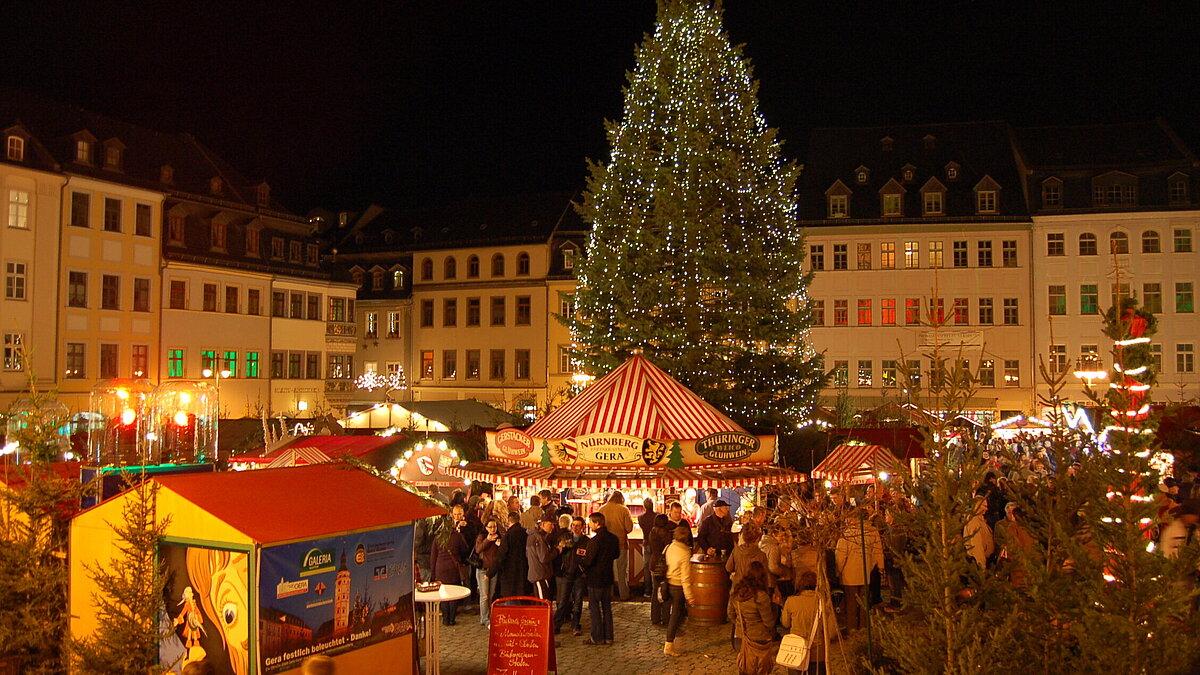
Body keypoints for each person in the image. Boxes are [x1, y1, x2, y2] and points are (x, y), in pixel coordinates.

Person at [780, 571, 837, 675]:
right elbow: (831, 633)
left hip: (796, 653)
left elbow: (785, 623)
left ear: (800, 585)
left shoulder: (791, 601)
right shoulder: (824, 603)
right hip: (818, 654)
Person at [834, 514, 884, 631]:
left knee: (851, 605)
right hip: (865, 575)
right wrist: (870, 568)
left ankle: (852, 630)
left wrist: (838, 571)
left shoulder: (846, 536)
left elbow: (840, 557)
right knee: (864, 604)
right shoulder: (869, 535)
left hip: (849, 577)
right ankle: (863, 629)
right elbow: (874, 554)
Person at [728, 561, 776, 675]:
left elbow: (730, 614)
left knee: (745, 667)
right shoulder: (761, 596)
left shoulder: (736, 592)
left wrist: (739, 623)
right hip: (758, 640)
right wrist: (775, 606)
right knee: (758, 669)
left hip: (740, 637)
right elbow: (769, 623)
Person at [582, 511, 620, 645]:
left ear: (597, 523)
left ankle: (597, 637)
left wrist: (583, 563)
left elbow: (588, 561)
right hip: (608, 577)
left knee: (595, 608)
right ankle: (609, 636)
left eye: (591, 522)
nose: (589, 525)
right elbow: (616, 554)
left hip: (595, 578)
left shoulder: (595, 541)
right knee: (607, 608)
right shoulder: (613, 538)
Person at [429, 505, 470, 625]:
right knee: (453, 593)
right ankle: (452, 618)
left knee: (443, 594)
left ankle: (445, 618)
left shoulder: (438, 537)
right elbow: (465, 550)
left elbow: (433, 557)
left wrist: (433, 573)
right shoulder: (457, 536)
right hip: (453, 568)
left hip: (440, 568)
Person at [663, 525, 696, 657]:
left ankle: (675, 637)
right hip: (678, 587)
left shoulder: (670, 546)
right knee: (676, 615)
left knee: (675, 613)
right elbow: (685, 577)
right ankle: (669, 644)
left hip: (668, 583)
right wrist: (690, 596)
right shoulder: (685, 553)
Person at [554, 516, 589, 635]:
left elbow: (588, 558)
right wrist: (561, 547)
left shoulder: (586, 541)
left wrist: (583, 569)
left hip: (579, 575)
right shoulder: (565, 537)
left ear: (582, 527)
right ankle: (557, 625)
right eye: (573, 525)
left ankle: (575, 626)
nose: (575, 527)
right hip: (567, 573)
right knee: (563, 601)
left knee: (578, 602)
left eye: (578, 525)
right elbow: (558, 552)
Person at [599, 491, 634, 600]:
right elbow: (629, 528)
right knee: (622, 571)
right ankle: (624, 594)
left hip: (605, 544)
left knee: (607, 570)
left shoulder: (602, 509)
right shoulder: (624, 510)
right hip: (621, 544)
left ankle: (608, 594)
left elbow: (598, 527)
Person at [474, 518, 502, 626]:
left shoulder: (498, 537)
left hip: (493, 570)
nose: (493, 529)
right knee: (484, 595)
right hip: (483, 569)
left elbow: (500, 553)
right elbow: (478, 550)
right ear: (486, 528)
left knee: (491, 594)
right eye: (490, 527)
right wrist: (488, 540)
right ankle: (485, 618)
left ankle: (488, 615)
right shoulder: (481, 537)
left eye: (495, 526)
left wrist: (499, 544)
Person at [647, 513, 674, 625]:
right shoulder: (665, 534)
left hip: (654, 563)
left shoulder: (652, 531)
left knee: (655, 591)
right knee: (665, 590)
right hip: (663, 564)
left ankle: (655, 617)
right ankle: (666, 618)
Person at [495, 511, 530, 599]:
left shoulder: (508, 535)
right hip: (523, 568)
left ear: (508, 521)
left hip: (510, 570)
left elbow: (501, 555)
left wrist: (490, 572)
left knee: (510, 599)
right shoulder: (525, 532)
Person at [527, 517, 557, 600]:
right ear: (543, 524)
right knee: (543, 602)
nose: (553, 527)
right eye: (551, 524)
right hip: (540, 575)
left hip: (539, 574)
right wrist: (557, 551)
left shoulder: (536, 537)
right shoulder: (538, 538)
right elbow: (543, 558)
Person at [964, 496, 995, 568]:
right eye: (984, 506)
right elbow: (976, 545)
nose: (986, 509)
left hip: (986, 560)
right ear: (977, 505)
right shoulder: (974, 521)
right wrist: (982, 565)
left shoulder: (981, 520)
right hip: (977, 563)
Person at [638, 497, 658, 596]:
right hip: (656, 544)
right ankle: (655, 589)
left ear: (644, 507)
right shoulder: (657, 516)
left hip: (646, 543)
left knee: (646, 567)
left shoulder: (640, 518)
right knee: (655, 566)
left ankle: (647, 590)